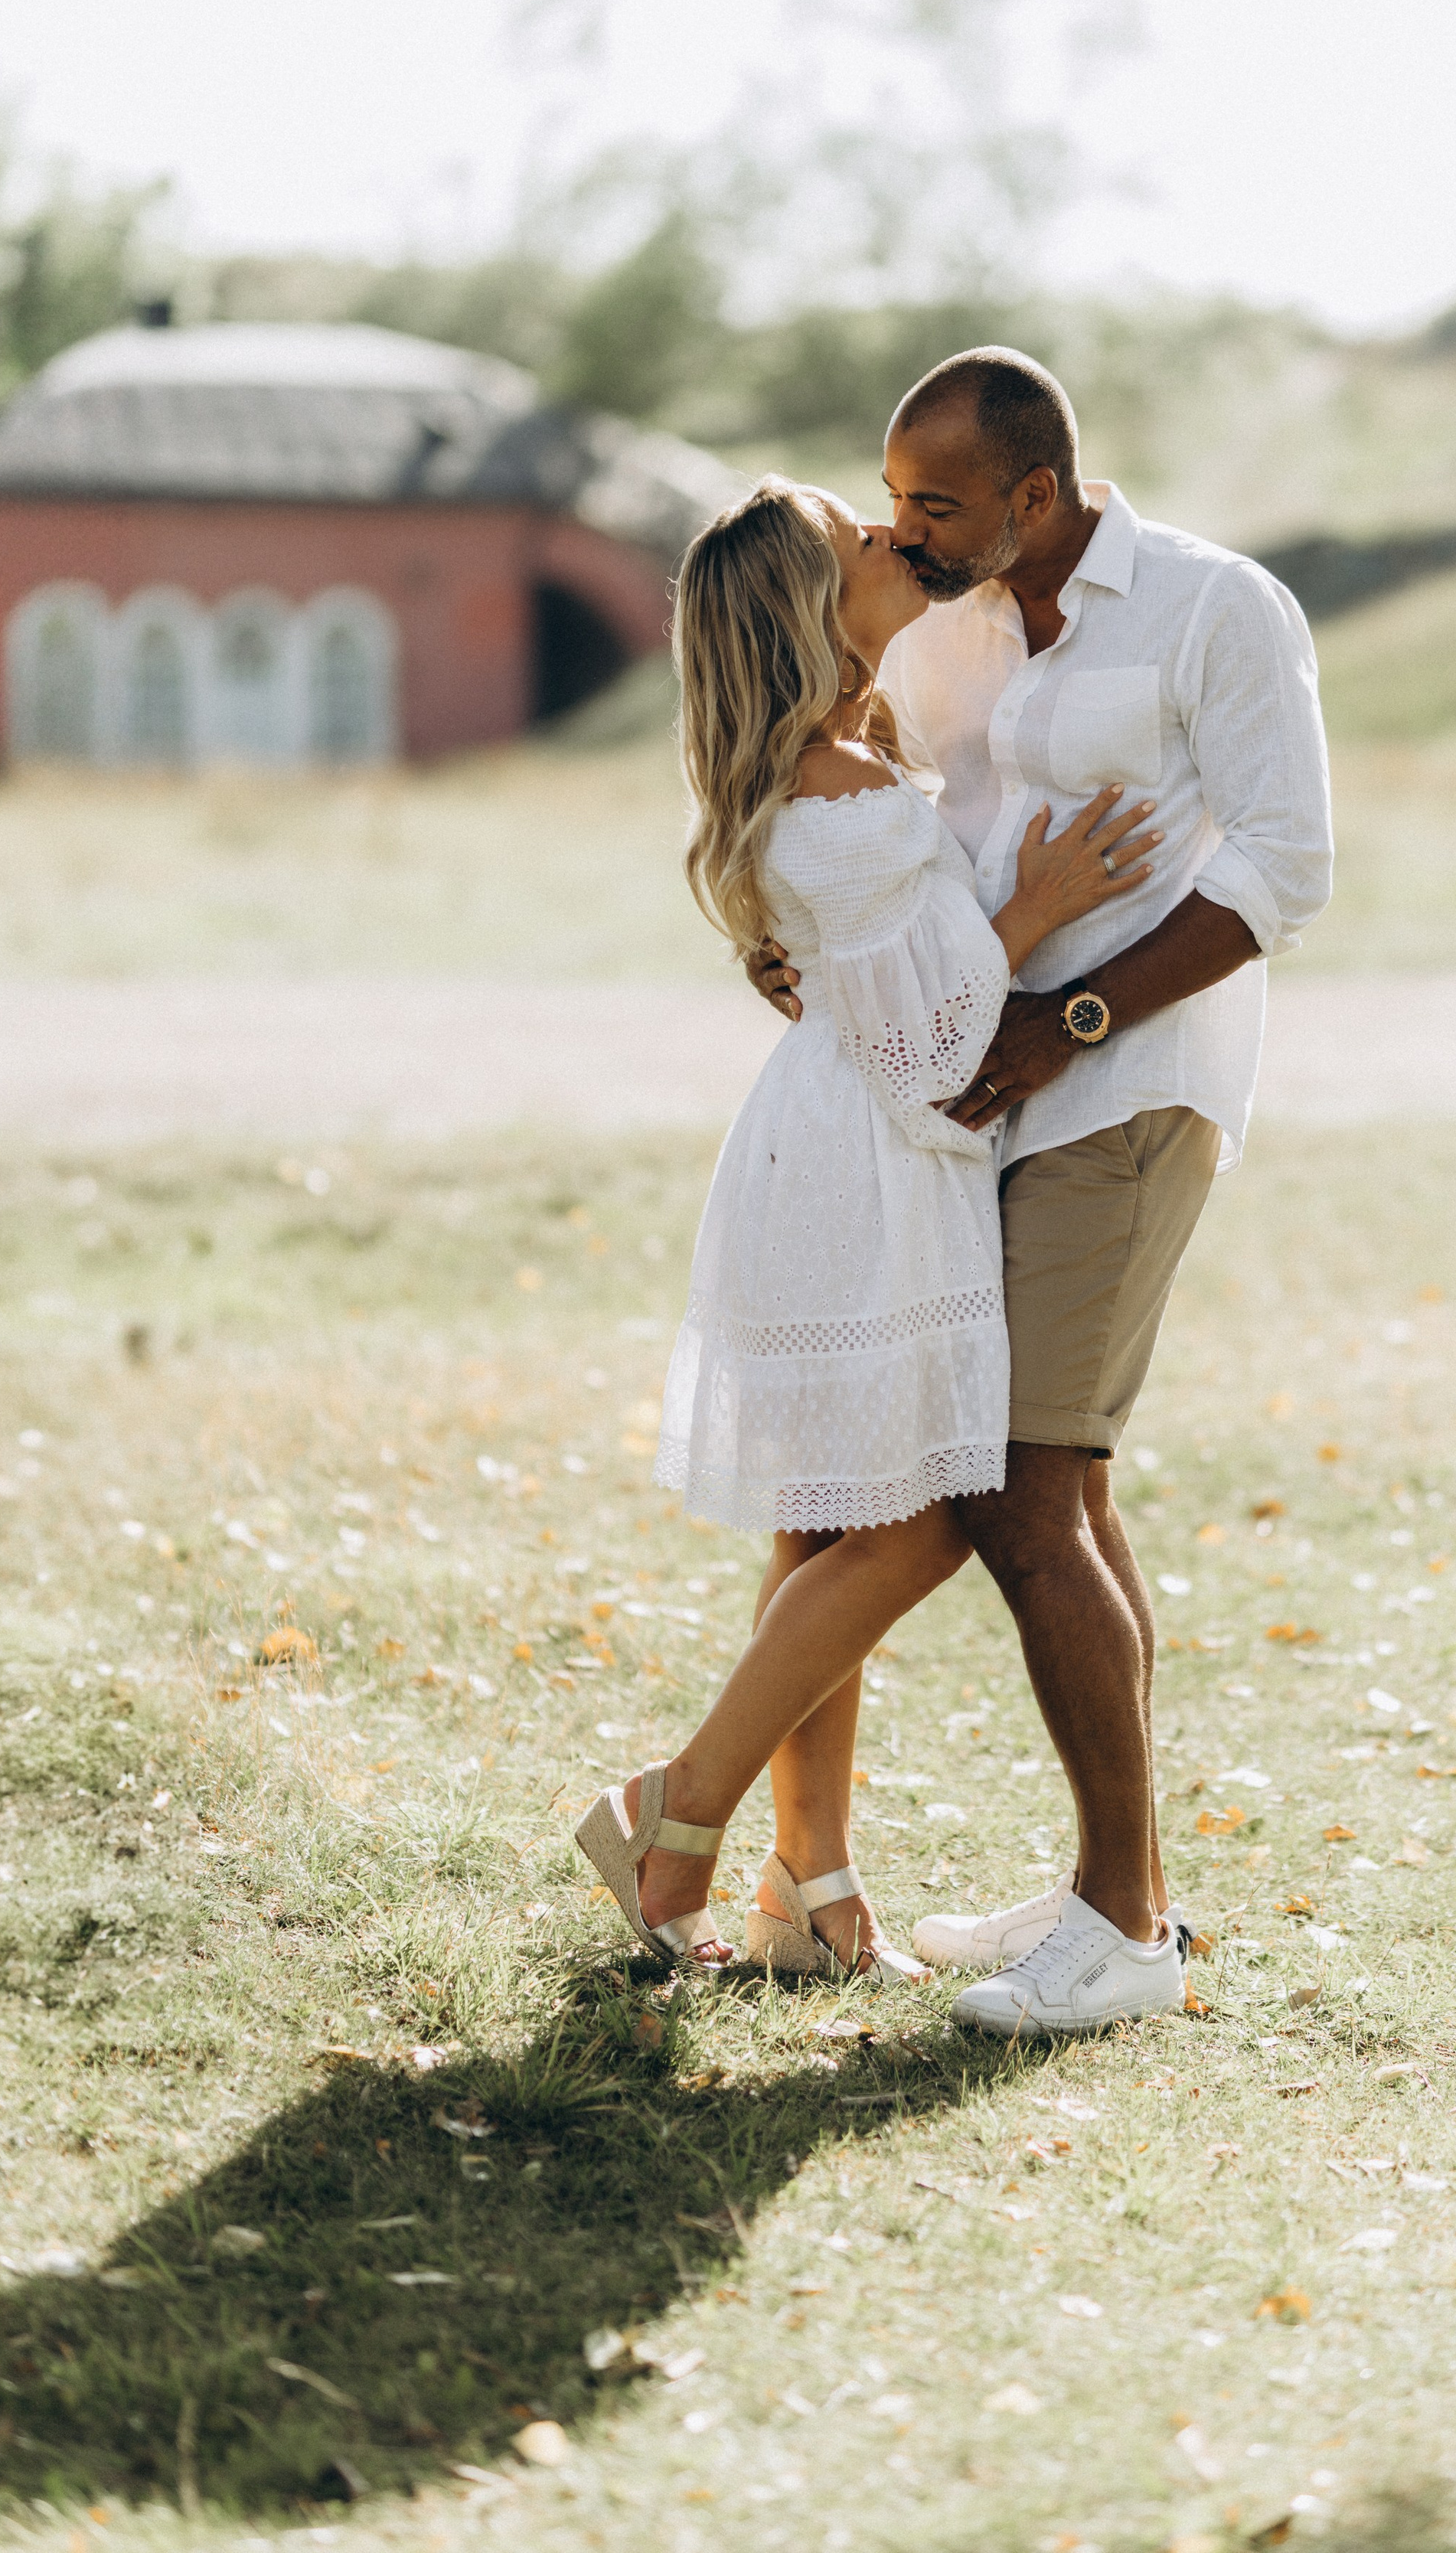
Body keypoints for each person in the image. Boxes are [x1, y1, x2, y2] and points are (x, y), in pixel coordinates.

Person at [749, 348, 1331, 2036]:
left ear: (1035, 492)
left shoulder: (1217, 610)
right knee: (1062, 1489)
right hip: (968, 1096)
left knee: (1019, 1487)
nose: (897, 525)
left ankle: (1122, 1926)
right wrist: (818, 955)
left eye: (933, 499)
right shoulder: (941, 619)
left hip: (1130, 1085)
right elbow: (899, 828)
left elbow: (1282, 867)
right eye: (889, 491)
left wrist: (1061, 1017)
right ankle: (1112, 1884)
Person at [573, 477, 1161, 1988]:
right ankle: (674, 1808)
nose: (892, 543)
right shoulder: (832, 784)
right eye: (860, 543)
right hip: (865, 1163)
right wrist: (1028, 915)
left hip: (845, 1152)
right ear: (806, 608)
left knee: (827, 1519)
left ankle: (809, 1891)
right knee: (923, 1517)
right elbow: (931, 1053)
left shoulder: (846, 756)